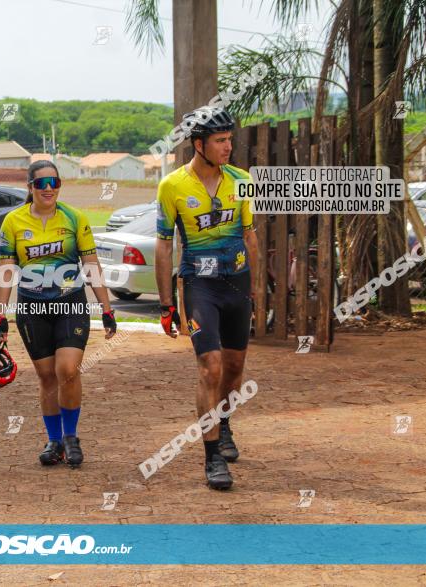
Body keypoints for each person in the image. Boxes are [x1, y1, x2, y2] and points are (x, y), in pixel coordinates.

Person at [154, 108, 257, 490]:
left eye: (230, 139)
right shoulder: (172, 186)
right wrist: (166, 304)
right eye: (220, 140)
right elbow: (164, 246)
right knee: (209, 367)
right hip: (200, 284)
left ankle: (224, 422)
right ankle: (212, 457)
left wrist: (257, 289)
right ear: (199, 144)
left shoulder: (242, 180)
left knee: (233, 368)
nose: (228, 146)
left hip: (237, 283)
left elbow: (251, 235)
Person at [0, 160, 117, 468]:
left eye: (54, 183)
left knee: (68, 370)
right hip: (32, 307)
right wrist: (0, 315)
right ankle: (54, 441)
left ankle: (71, 437)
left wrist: (106, 307)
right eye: (41, 184)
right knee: (47, 377)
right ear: (30, 187)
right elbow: (6, 270)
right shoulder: (13, 221)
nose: (49, 189)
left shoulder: (75, 218)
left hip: (70, 303)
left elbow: (91, 265)